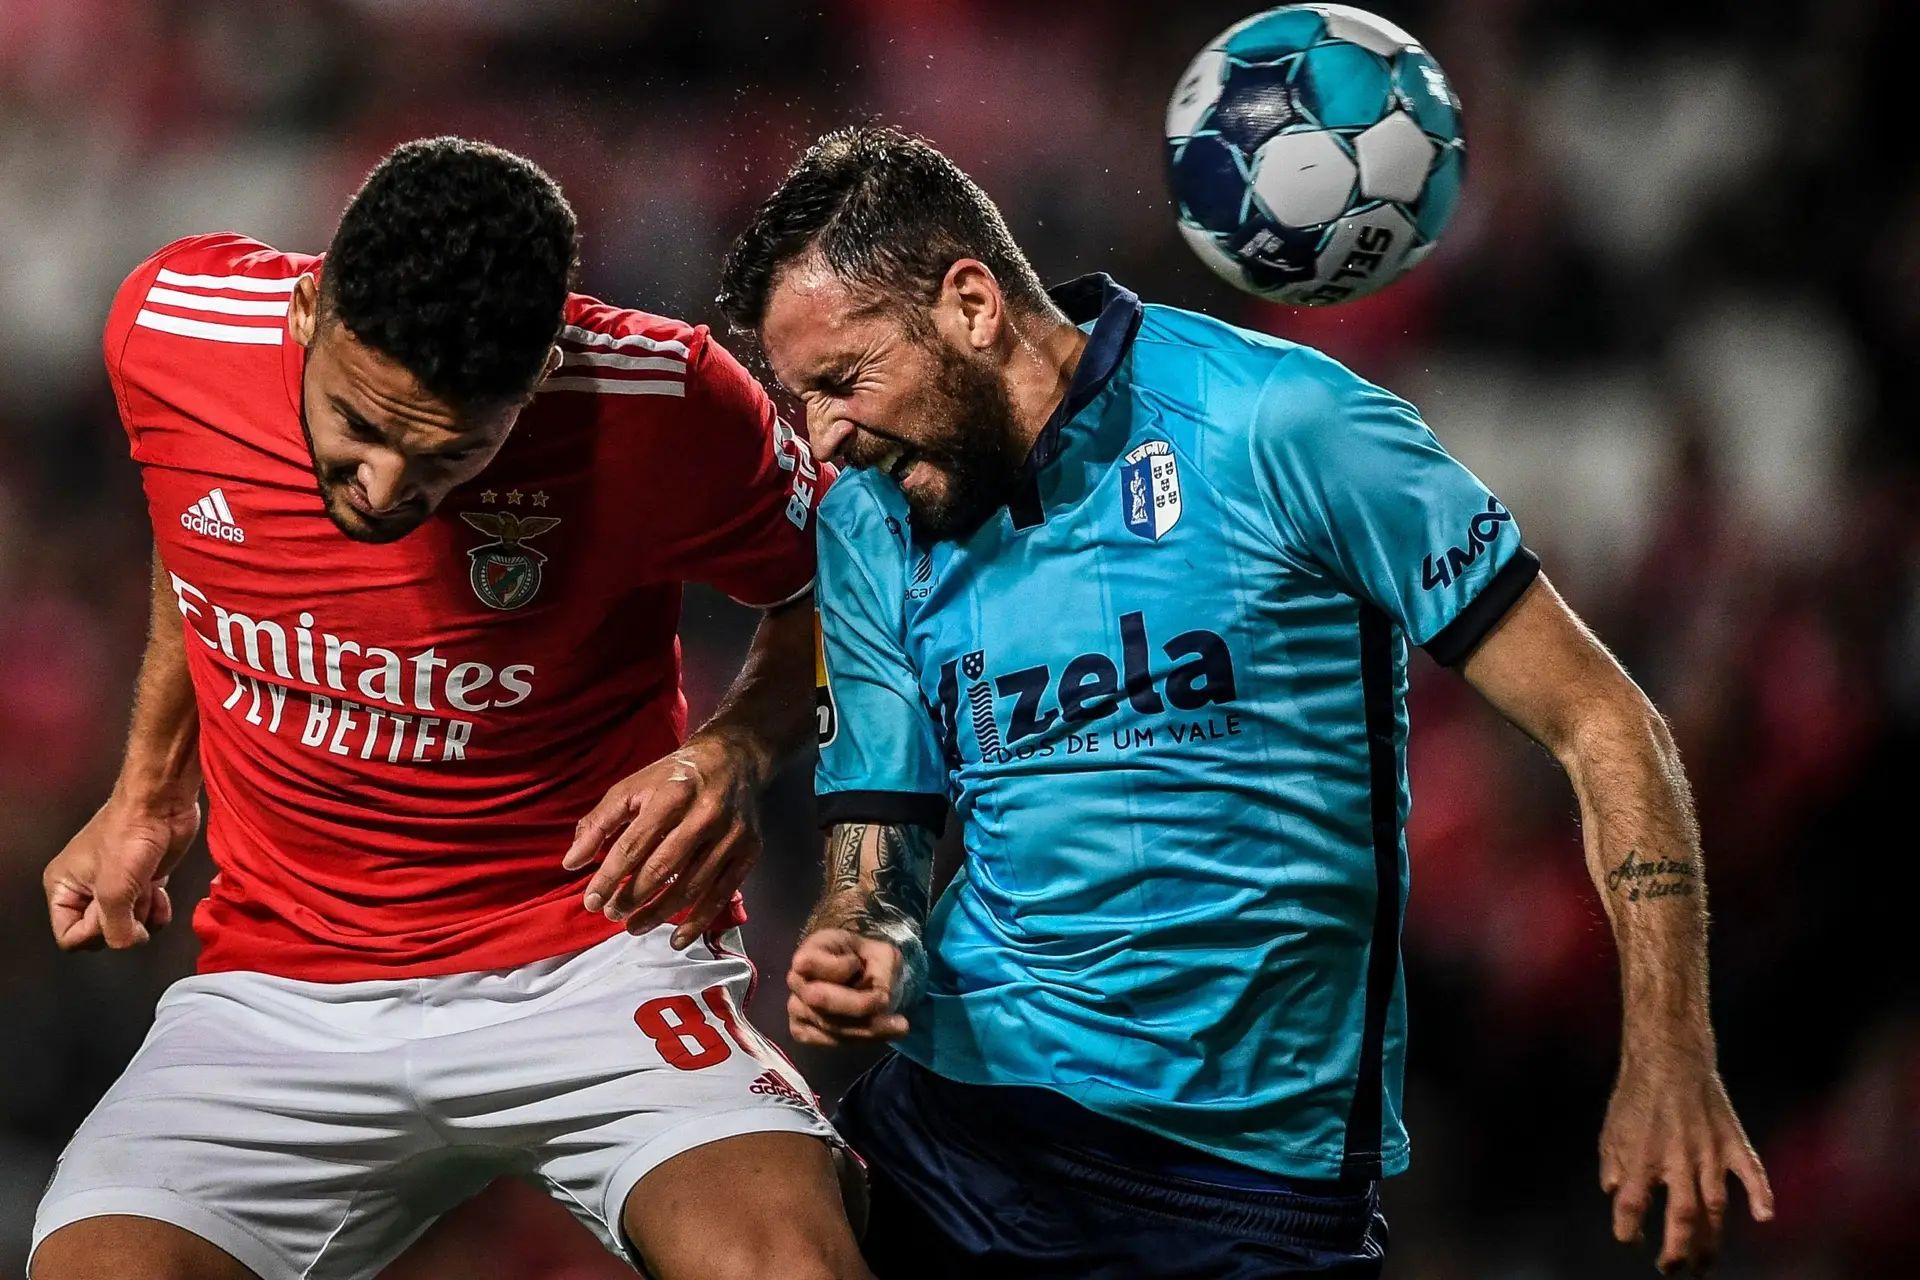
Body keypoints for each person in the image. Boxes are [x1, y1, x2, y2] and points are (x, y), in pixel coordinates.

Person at [717, 125, 1775, 1279]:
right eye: (800, 396)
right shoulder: (869, 525)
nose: (821, 434)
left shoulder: (1282, 427)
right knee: (734, 1216)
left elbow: (1603, 720)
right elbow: (881, 862)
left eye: (842, 380)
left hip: (1243, 1185)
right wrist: (857, 940)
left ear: (971, 303)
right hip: (960, 1129)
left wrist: (1671, 1045)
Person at [32, 137, 868, 1280]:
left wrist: (735, 744)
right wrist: (145, 787)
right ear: (308, 309)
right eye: (358, 427)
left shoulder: (662, 402)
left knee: (788, 1267)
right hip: (280, 989)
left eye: (443, 455)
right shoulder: (171, 329)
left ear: (531, 383)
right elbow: (194, 523)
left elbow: (852, 583)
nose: (380, 488)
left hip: (597, 957)